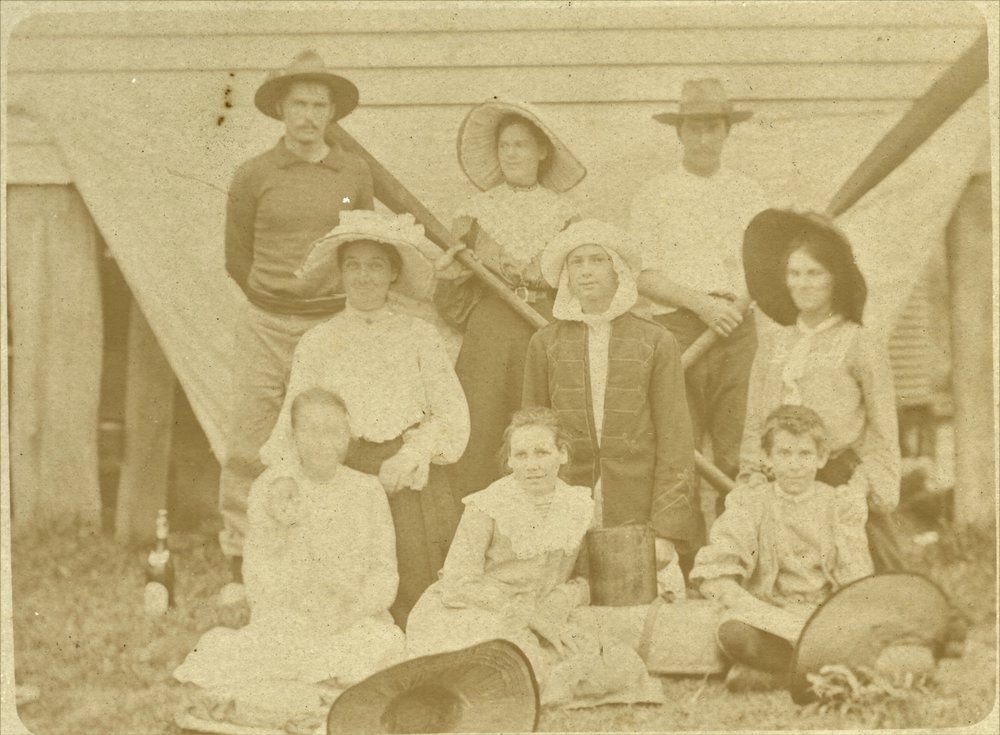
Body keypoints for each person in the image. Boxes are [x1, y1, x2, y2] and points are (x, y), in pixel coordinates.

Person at [260, 210, 470, 628]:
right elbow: (292, 420)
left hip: (409, 479)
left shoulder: (419, 337)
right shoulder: (318, 341)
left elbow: (452, 414)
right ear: (340, 274)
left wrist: (413, 454)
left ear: (393, 273)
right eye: (353, 265)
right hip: (341, 474)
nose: (364, 276)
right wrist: (287, 476)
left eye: (376, 265)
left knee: (419, 588)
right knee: (346, 590)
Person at [219, 50, 374, 602]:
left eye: (319, 105)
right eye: (299, 104)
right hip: (265, 323)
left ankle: (326, 550)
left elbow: (362, 246)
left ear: (332, 113)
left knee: (330, 436)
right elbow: (237, 258)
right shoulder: (254, 174)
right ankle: (240, 561)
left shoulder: (353, 172)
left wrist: (322, 304)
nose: (308, 115)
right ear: (281, 110)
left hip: (329, 324)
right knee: (251, 438)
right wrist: (276, 300)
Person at [174, 388, 405, 730]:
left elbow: (386, 574)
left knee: (381, 643)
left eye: (333, 431)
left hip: (352, 618)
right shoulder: (273, 489)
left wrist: (351, 609)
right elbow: (258, 574)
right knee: (255, 648)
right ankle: (305, 700)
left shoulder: (367, 490)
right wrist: (299, 607)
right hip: (291, 618)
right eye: (311, 430)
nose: (323, 442)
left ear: (348, 436)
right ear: (294, 435)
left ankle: (307, 699)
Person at [406, 408, 662, 707]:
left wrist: (561, 599)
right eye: (521, 455)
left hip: (549, 612)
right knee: (504, 655)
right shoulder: (487, 505)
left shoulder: (578, 505)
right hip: (483, 611)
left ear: (562, 454)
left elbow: (587, 577)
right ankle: (533, 685)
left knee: (619, 663)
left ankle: (543, 684)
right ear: (509, 460)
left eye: (542, 453)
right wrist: (525, 613)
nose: (532, 466)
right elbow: (458, 582)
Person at [521, 220, 702, 576]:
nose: (586, 272)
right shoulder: (545, 343)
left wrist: (665, 531)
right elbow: (532, 437)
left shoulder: (656, 341)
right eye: (576, 262)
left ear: (618, 270)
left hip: (638, 508)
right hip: (565, 507)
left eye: (598, 260)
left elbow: (676, 440)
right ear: (565, 275)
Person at [434, 98, 584, 496]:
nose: (512, 153)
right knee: (481, 425)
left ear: (541, 151)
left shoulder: (565, 213)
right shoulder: (476, 211)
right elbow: (454, 300)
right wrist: (449, 278)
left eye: (521, 144)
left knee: (541, 425)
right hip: (492, 328)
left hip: (544, 328)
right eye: (504, 145)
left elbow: (578, 284)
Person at [629, 78, 768, 508]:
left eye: (713, 128)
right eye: (694, 129)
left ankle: (734, 557)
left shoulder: (748, 193)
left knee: (734, 453)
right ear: (679, 133)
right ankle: (683, 566)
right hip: (679, 332)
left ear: (727, 131)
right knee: (678, 452)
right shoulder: (655, 194)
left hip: (736, 330)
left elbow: (765, 267)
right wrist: (702, 305)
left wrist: (733, 307)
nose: (704, 138)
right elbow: (642, 275)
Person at [740, 208, 903, 572]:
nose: (803, 283)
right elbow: (755, 422)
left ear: (836, 279)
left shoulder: (860, 343)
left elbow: (882, 430)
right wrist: (752, 478)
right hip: (779, 479)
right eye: (794, 273)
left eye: (814, 273)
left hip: (840, 484)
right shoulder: (773, 344)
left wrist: (862, 489)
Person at [691, 404, 874, 692]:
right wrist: (766, 615)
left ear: (821, 457)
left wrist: (833, 622)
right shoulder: (750, 504)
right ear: (767, 457)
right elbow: (715, 578)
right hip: (769, 616)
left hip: (822, 617)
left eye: (805, 454)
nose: (795, 464)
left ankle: (777, 677)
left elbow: (856, 582)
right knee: (734, 634)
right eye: (784, 453)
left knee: (865, 634)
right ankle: (821, 672)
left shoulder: (838, 505)